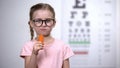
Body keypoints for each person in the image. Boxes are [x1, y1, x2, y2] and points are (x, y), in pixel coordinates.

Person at [20, 3, 74, 68]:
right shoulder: (28, 46)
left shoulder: (62, 46)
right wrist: (34, 53)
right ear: (31, 23)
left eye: (48, 20)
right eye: (38, 21)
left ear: (54, 23)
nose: (43, 24)